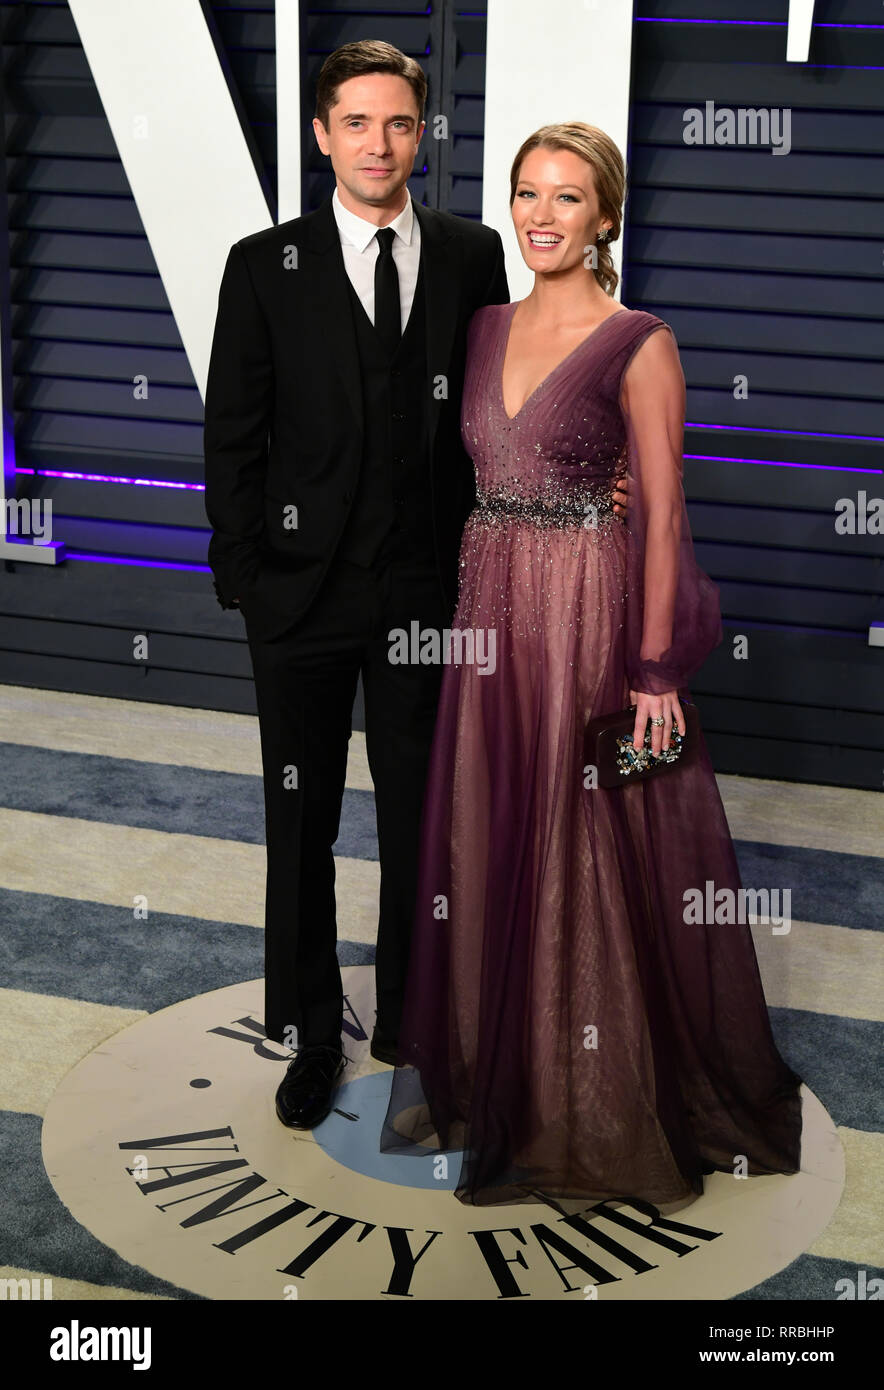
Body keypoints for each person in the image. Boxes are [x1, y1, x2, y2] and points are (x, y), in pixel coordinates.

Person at [204, 42, 631, 1131]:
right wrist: (246, 580)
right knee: (300, 826)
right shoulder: (263, 264)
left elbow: (499, 404)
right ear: (322, 135)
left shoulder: (467, 253)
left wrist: (591, 481)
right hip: (295, 604)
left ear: (422, 136)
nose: (378, 145)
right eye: (357, 123)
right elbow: (232, 439)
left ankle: (410, 1021)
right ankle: (307, 1033)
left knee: (422, 822)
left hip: (427, 600)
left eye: (399, 125)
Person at [380, 122, 804, 1212]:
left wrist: (657, 670)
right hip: (491, 608)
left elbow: (662, 515)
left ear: (604, 217)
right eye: (526, 192)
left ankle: (587, 1091)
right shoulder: (479, 326)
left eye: (567, 198)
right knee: (490, 829)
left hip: (586, 616)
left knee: (583, 840)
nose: (539, 215)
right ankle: (503, 1068)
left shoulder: (638, 341)